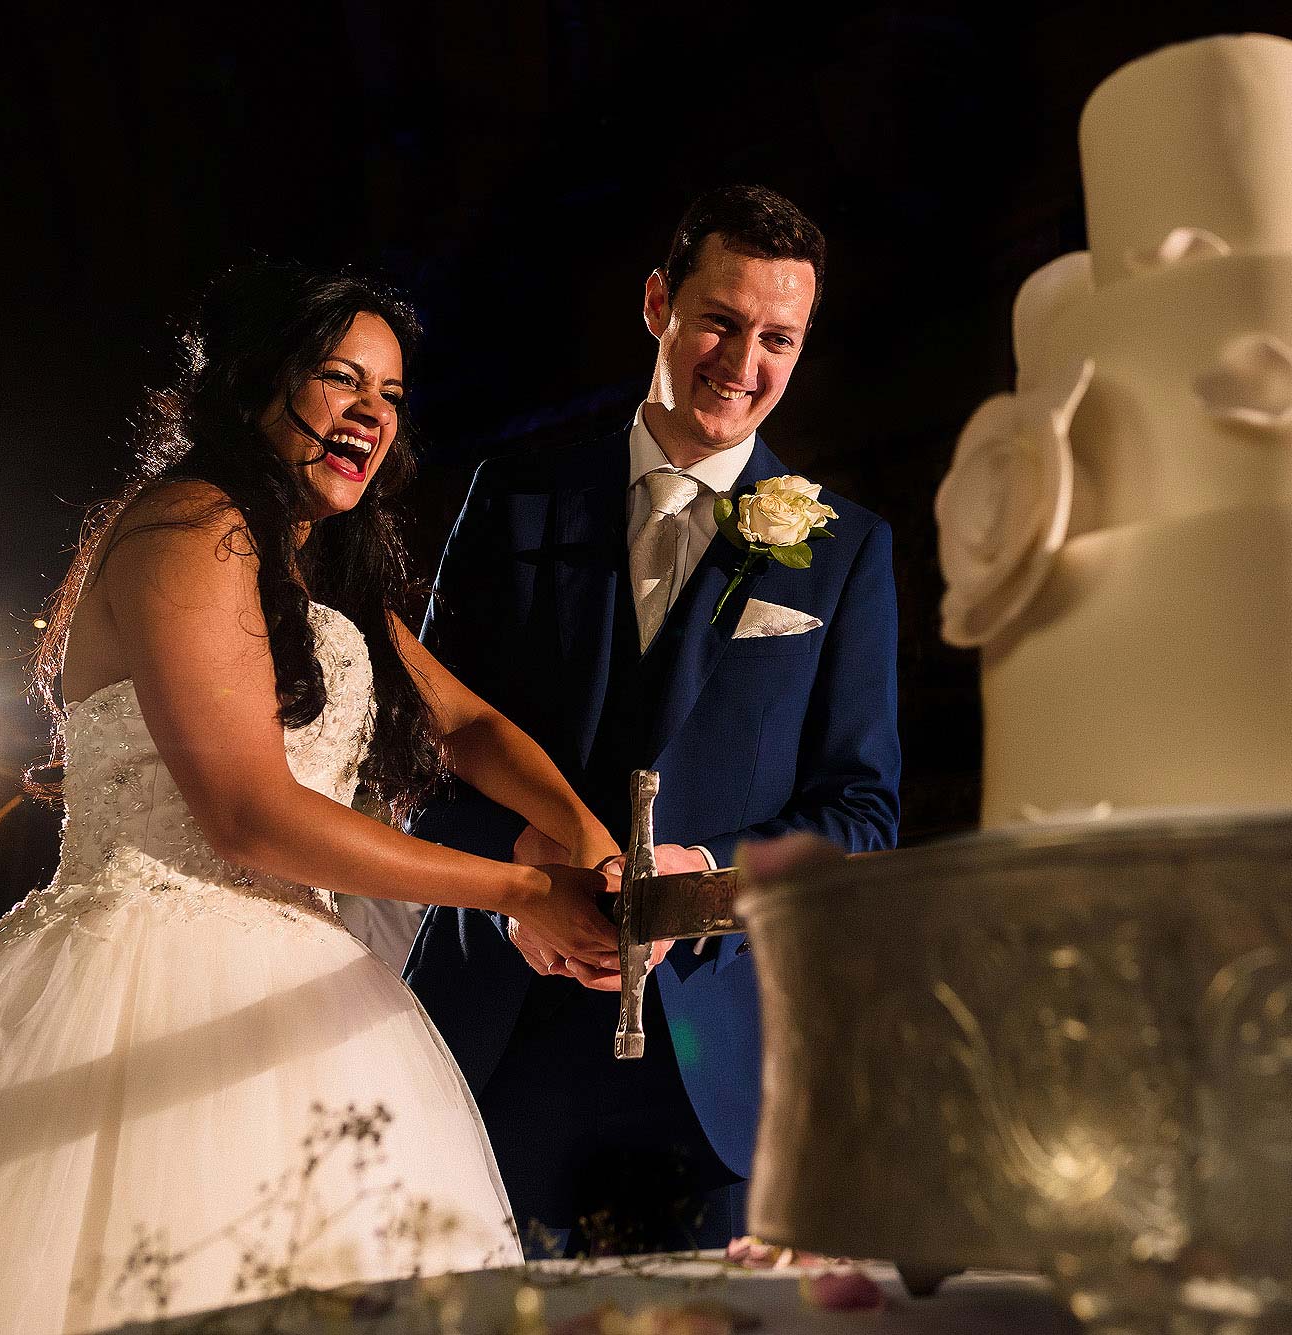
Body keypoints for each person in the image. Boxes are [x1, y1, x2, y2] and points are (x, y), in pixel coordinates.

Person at [0, 262, 626, 1334]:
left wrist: (591, 845)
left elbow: (470, 725)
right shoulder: (189, 527)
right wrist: (522, 889)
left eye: (389, 395)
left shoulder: (322, 574)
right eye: (339, 378)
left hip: (308, 996)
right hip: (137, 980)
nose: (369, 415)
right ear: (259, 383)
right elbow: (247, 815)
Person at [406, 185, 902, 1255]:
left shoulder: (845, 548)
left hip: (714, 1060)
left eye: (779, 338)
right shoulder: (515, 496)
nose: (743, 362)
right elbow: (420, 752)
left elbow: (861, 818)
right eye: (720, 321)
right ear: (654, 305)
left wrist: (706, 881)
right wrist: (518, 891)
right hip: (491, 1034)